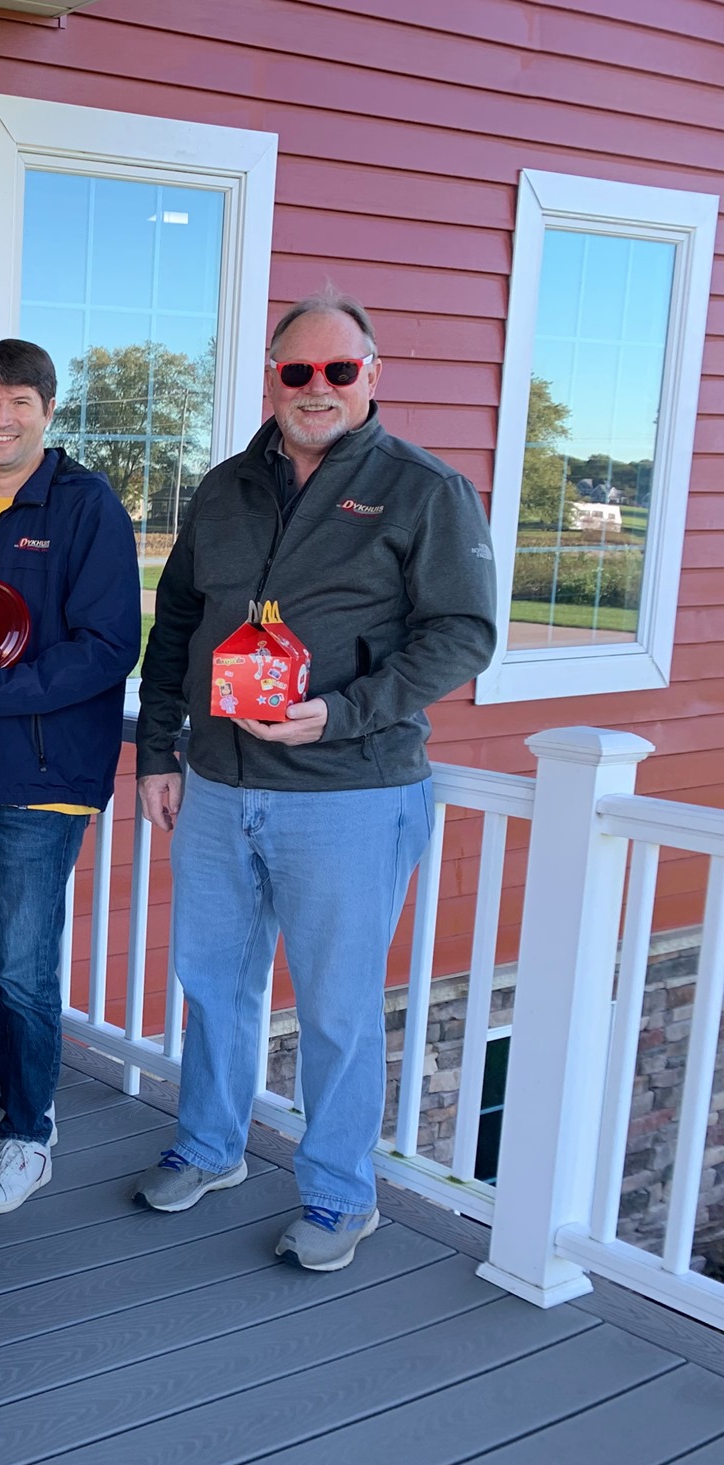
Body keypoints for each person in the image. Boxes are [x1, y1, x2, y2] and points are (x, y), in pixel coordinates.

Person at [131, 291, 497, 1271]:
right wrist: (159, 751)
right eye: (297, 371)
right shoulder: (223, 489)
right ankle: (210, 1147)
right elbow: (175, 626)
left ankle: (339, 1196)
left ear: (372, 375)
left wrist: (340, 712)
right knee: (214, 983)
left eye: (339, 370)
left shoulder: (424, 490)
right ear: (272, 378)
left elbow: (463, 634)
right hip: (217, 783)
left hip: (349, 790)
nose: (316, 388)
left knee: (335, 1007)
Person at [0, 338, 142, 1217]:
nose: (2, 417)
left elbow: (109, 647)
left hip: (44, 776)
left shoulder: (87, 507)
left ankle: (31, 1136)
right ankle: (14, 1103)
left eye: (20, 402)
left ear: (49, 412)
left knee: (21, 967)